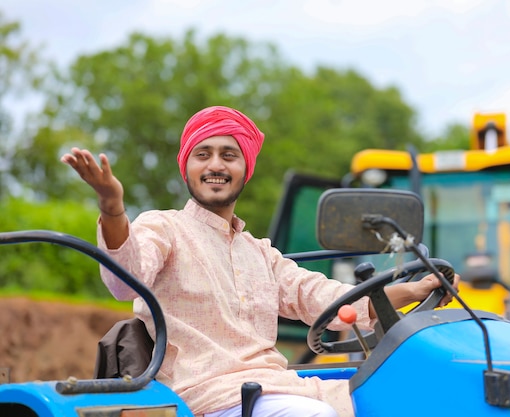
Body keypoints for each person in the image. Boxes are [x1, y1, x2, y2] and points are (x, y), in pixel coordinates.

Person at [61, 106, 460, 417]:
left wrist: (416, 288)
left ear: (245, 168)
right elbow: (125, 281)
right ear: (187, 166)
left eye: (229, 155)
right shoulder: (163, 227)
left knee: (401, 400)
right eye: (204, 154)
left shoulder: (261, 253)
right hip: (207, 396)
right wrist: (113, 208)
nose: (216, 164)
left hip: (273, 388)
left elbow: (326, 298)